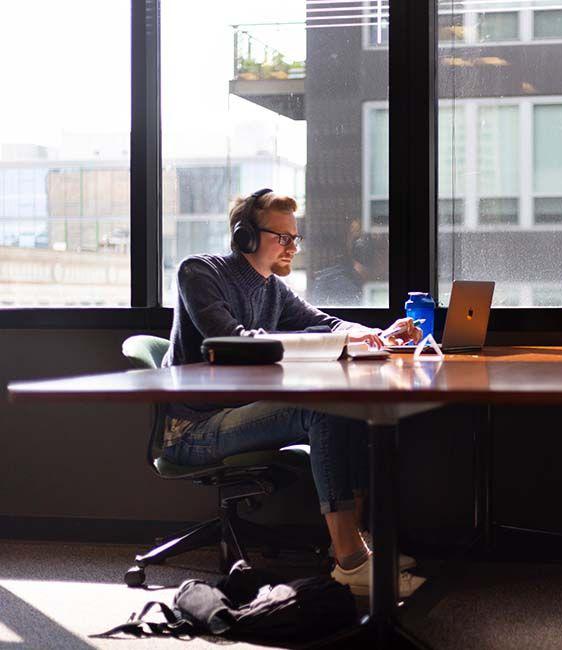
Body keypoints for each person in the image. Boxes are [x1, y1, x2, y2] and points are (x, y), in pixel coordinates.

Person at [161, 189, 425, 598]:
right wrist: (322, 345)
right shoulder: (198, 273)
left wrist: (375, 334)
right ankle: (351, 562)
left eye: (294, 238)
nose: (291, 247)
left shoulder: (272, 289)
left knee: (350, 407)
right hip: (191, 429)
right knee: (322, 411)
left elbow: (324, 321)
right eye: (281, 237)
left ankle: (356, 544)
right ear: (245, 236)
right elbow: (234, 341)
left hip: (237, 415)